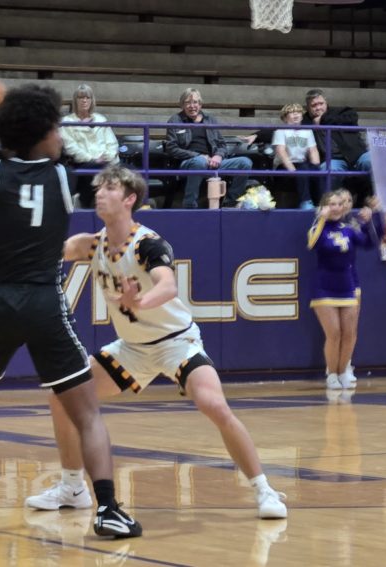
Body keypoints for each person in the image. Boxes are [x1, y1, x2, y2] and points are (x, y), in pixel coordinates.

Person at [0, 84, 141, 538]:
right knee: (87, 413)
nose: (61, 135)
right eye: (55, 127)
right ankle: (109, 508)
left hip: (3, 300)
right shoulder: (62, 175)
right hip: (45, 302)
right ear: (42, 133)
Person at [29, 164, 287, 519]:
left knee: (213, 404)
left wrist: (140, 301)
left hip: (176, 342)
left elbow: (168, 285)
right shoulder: (90, 245)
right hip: (132, 348)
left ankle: (264, 490)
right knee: (61, 398)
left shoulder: (147, 244)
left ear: (130, 198)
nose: (100, 193)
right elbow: (50, 255)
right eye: (98, 188)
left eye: (109, 188)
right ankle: (73, 487)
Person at [308, 190, 377, 390]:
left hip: (347, 286)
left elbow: (369, 243)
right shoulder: (317, 226)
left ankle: (342, 372)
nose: (336, 207)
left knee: (349, 333)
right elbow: (313, 244)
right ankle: (332, 374)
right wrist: (321, 219)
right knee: (334, 333)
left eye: (339, 204)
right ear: (323, 207)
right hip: (324, 287)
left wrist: (370, 220)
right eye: (331, 204)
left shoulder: (348, 228)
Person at [165, 88, 253, 208]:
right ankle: (190, 205)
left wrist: (218, 156)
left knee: (245, 163)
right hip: (188, 162)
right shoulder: (175, 120)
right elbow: (171, 148)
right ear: (182, 105)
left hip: (212, 161)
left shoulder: (209, 119)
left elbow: (221, 144)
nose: (192, 106)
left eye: (195, 102)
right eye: (188, 102)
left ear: (200, 104)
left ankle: (231, 203)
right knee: (199, 162)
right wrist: (197, 156)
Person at [302, 89, 371, 200]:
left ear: (326, 103)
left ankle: (377, 199)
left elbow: (353, 118)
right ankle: (332, 204)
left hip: (356, 155)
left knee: (371, 161)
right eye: (313, 105)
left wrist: (323, 119)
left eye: (321, 104)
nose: (318, 107)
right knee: (329, 169)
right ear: (308, 108)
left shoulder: (341, 111)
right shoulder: (305, 121)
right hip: (332, 159)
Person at [60, 83, 118, 208]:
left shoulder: (101, 119)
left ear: (92, 101)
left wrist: (106, 156)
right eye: (81, 98)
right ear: (75, 101)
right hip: (83, 162)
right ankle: (87, 203)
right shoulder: (67, 122)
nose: (84, 100)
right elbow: (71, 147)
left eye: (88, 98)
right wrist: (92, 159)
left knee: (131, 170)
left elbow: (111, 143)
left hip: (106, 160)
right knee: (94, 169)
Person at [273, 103, 320, 210]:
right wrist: (292, 170)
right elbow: (281, 151)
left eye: (298, 112)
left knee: (318, 170)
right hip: (284, 165)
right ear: (285, 117)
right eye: (291, 112)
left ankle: (321, 202)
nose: (296, 115)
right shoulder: (281, 131)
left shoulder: (307, 131)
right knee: (303, 169)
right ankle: (305, 201)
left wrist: (316, 167)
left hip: (301, 163)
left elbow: (313, 150)